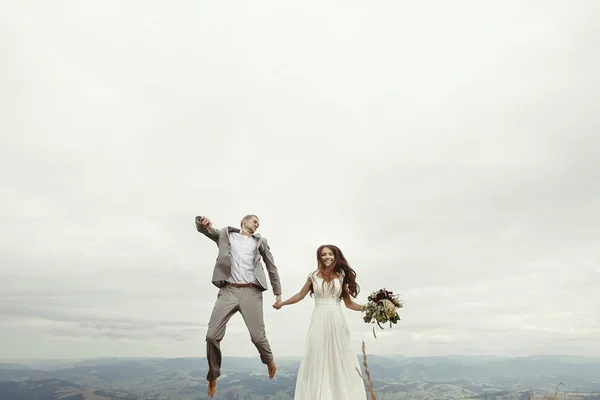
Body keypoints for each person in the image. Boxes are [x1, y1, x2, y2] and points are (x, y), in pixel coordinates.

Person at [195, 214, 282, 398]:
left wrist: (278, 293)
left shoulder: (261, 242)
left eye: (259, 223)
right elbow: (206, 230)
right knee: (211, 336)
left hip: (252, 292)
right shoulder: (226, 234)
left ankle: (269, 360)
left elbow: (271, 267)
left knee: (258, 338)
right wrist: (201, 222)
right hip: (228, 291)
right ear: (243, 221)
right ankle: (213, 375)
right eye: (254, 221)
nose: (257, 224)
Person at [273, 244, 367, 400]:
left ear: (336, 256)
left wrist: (369, 309)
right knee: (318, 354)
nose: (327, 257)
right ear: (319, 257)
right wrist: (282, 303)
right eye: (324, 254)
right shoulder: (313, 276)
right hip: (319, 318)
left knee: (340, 354)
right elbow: (299, 296)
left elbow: (349, 304)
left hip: (336, 319)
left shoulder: (341, 276)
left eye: (330, 254)